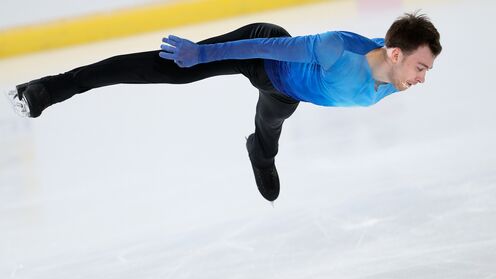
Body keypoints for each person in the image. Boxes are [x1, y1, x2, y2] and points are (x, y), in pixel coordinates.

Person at [7, 12, 441, 202]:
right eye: (421, 67)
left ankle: (259, 152)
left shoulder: (394, 77)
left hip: (286, 92)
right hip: (261, 56)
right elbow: (265, 44)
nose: (422, 80)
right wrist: (202, 54)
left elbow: (391, 46)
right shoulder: (334, 50)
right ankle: (48, 89)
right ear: (397, 54)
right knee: (168, 70)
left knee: (269, 127)